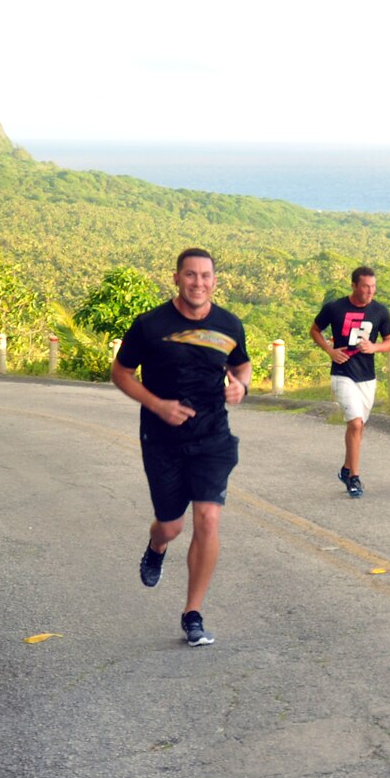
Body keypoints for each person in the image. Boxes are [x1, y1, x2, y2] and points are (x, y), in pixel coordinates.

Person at [111, 248, 252, 647]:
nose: (198, 283)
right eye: (190, 275)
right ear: (176, 278)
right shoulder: (150, 325)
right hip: (162, 439)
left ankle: (193, 613)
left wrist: (242, 386)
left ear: (214, 281)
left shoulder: (228, 324)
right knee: (172, 526)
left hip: (212, 438)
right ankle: (157, 545)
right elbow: (119, 372)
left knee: (208, 520)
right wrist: (157, 405)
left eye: (206, 276)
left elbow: (241, 365)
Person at [310, 265, 390, 498]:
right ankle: (354, 479)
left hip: (367, 377)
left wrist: (374, 347)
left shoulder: (380, 311)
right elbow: (315, 330)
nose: (370, 291)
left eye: (374, 287)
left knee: (358, 426)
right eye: (366, 286)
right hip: (342, 373)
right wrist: (330, 350)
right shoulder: (335, 308)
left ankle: (346, 469)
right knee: (356, 423)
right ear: (354, 286)